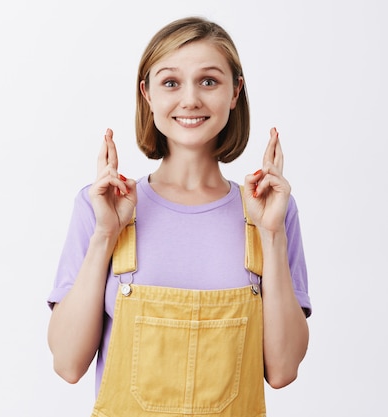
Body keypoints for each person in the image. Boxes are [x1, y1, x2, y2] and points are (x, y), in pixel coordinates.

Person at [47, 16, 311, 417]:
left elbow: (283, 370)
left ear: (235, 92)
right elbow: (67, 365)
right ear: (147, 93)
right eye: (171, 82)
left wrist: (271, 234)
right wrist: (105, 233)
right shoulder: (102, 206)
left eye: (209, 81)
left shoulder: (271, 211)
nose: (190, 99)